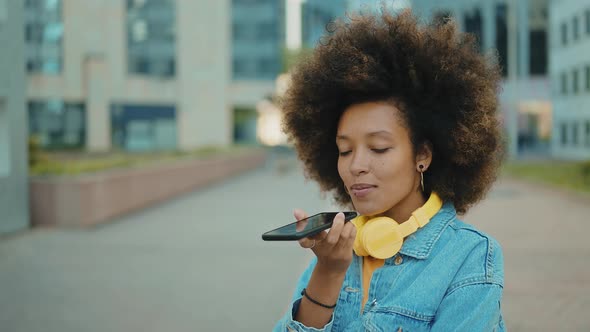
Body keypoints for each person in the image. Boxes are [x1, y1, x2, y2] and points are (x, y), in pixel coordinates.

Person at [273, 9, 506, 332]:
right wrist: (328, 273)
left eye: (379, 148)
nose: (356, 166)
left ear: (422, 154)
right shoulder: (335, 254)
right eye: (344, 150)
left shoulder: (470, 257)